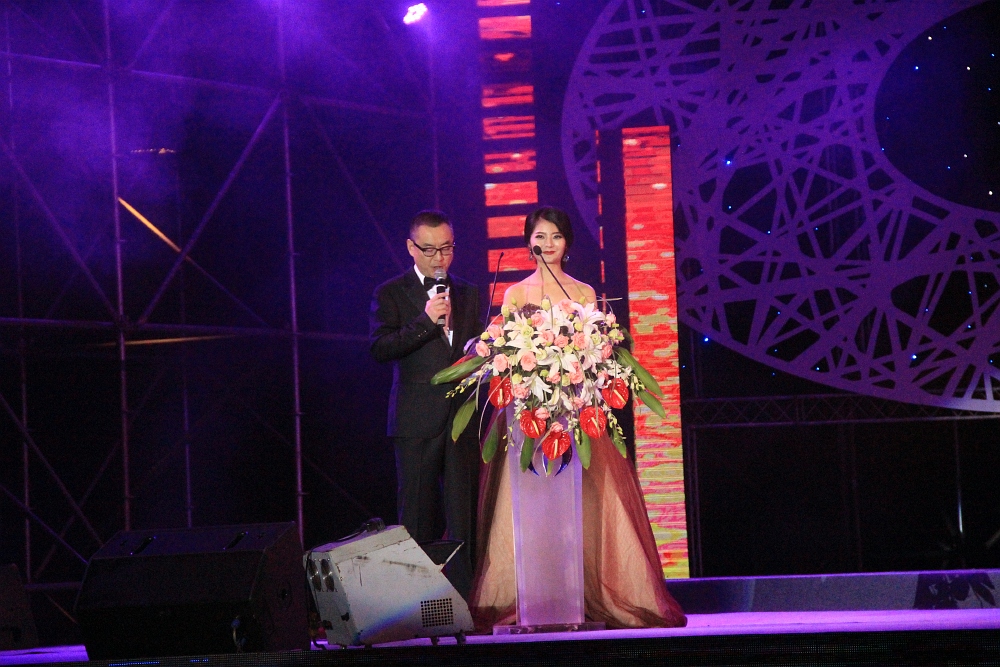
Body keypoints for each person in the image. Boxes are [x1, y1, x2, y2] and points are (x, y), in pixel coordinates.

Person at [468, 206, 687, 630]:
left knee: (588, 506)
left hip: (576, 413)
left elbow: (599, 349)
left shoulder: (584, 292)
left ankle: (587, 595)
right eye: (540, 236)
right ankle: (533, 598)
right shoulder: (515, 294)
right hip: (528, 416)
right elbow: (503, 353)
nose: (547, 244)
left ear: (567, 243)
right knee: (527, 508)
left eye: (556, 236)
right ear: (528, 241)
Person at [369, 210, 483, 599]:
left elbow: (475, 345)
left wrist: (483, 350)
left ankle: (464, 602)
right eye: (430, 249)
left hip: (462, 418)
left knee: (464, 515)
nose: (439, 258)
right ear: (411, 247)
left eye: (447, 248)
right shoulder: (391, 292)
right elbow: (380, 348)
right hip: (415, 418)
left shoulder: (467, 291)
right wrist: (425, 320)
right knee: (416, 514)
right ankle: (415, 604)